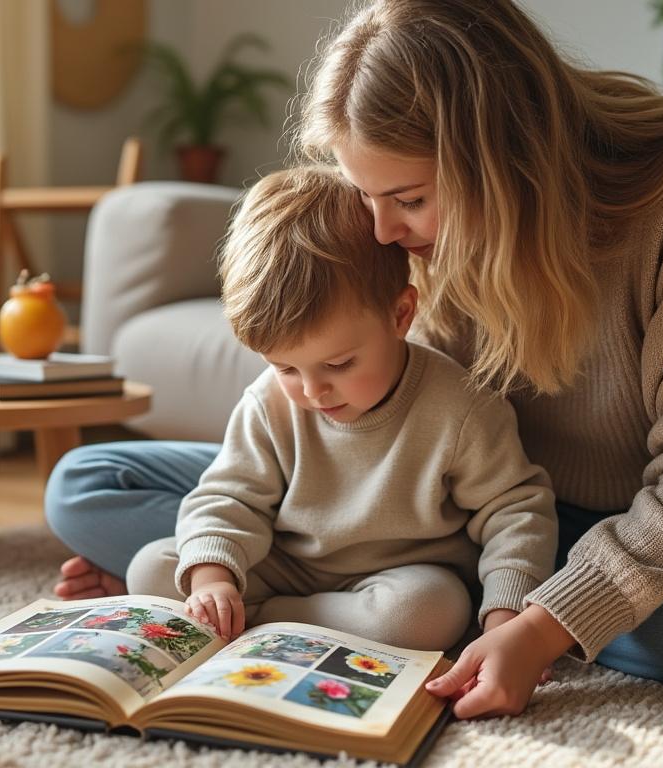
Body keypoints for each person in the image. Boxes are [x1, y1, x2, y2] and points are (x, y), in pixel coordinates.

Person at [47, 0, 663, 718]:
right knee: (90, 483)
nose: (382, 235)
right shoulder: (415, 234)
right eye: (366, 196)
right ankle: (385, 600)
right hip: (446, 519)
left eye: (407, 199)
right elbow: (379, 406)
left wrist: (543, 627)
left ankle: (462, 610)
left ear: (508, 161)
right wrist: (212, 556)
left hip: (646, 530)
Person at [120, 165, 557, 652]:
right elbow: (229, 497)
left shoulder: (461, 406)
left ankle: (264, 621)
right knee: (152, 568)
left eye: (339, 363)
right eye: (286, 368)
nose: (313, 392)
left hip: (399, 580)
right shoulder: (267, 403)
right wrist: (214, 580)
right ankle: (263, 613)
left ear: (401, 315)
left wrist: (506, 615)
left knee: (428, 612)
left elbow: (514, 512)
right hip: (288, 564)